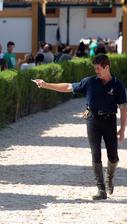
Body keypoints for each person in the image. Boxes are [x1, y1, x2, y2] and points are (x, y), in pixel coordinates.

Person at [34, 54, 127, 200]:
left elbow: (123, 108)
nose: (96, 71)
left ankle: (109, 177)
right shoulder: (90, 82)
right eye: (95, 68)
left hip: (109, 120)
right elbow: (68, 87)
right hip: (92, 119)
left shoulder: (118, 85)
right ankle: (100, 189)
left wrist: (122, 128)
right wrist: (46, 85)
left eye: (98, 69)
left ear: (106, 67)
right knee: (95, 153)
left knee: (113, 156)